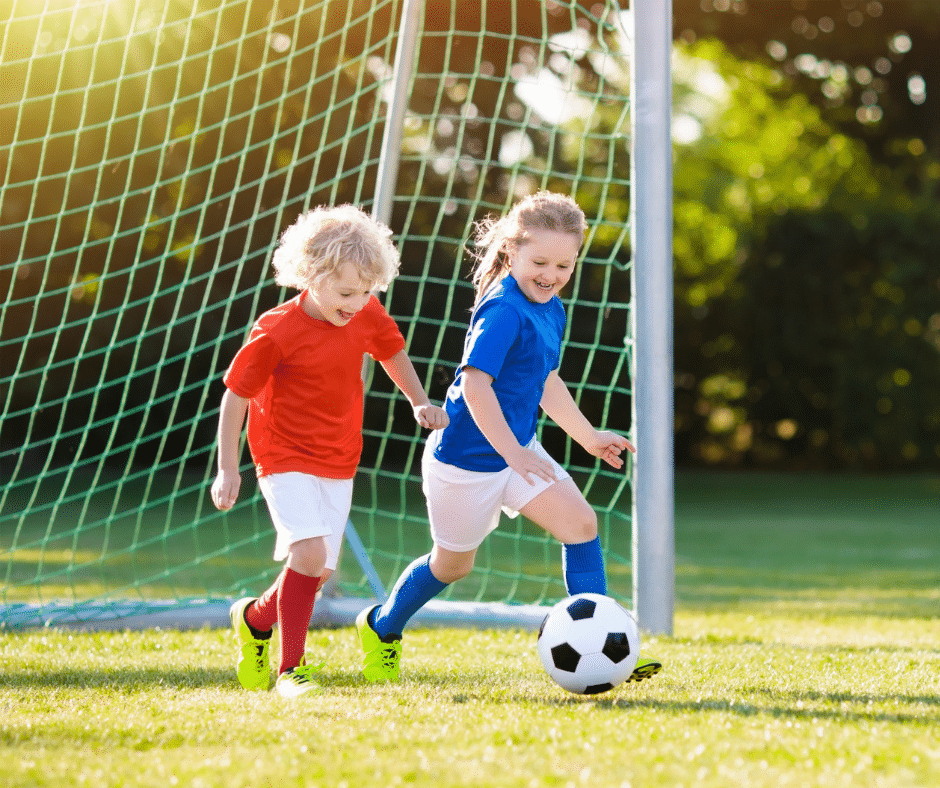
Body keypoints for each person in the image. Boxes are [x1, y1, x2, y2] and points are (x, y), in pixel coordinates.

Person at [355, 191, 662, 685]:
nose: (551, 274)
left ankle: (606, 651)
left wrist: (586, 436)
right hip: (465, 463)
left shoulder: (551, 307)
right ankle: (382, 627)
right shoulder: (502, 309)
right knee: (452, 565)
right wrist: (513, 454)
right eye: (539, 261)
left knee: (582, 525)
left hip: (518, 453)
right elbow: (476, 385)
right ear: (512, 252)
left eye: (564, 264)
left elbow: (546, 380)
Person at [211, 204, 448, 698]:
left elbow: (391, 351)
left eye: (367, 291)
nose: (358, 302)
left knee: (316, 569)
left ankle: (255, 620)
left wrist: (419, 400)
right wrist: (227, 470)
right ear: (311, 275)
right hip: (282, 455)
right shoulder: (276, 331)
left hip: (339, 457)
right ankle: (290, 671)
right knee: (309, 552)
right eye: (346, 292)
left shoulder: (365, 311)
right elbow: (235, 396)